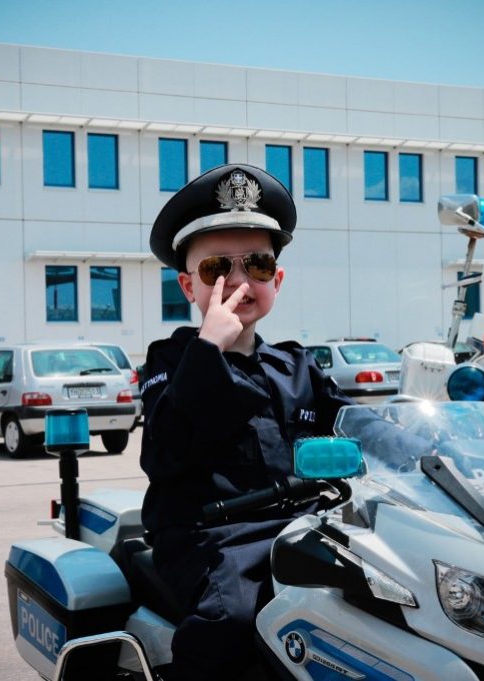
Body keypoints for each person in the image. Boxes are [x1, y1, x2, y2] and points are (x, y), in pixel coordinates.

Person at [140, 164, 354, 680]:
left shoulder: (296, 364)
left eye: (256, 264)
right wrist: (209, 347)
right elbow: (161, 452)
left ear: (276, 280)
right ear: (188, 286)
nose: (238, 281)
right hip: (215, 539)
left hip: (306, 528)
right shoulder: (173, 359)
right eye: (217, 269)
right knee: (232, 620)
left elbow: (360, 425)